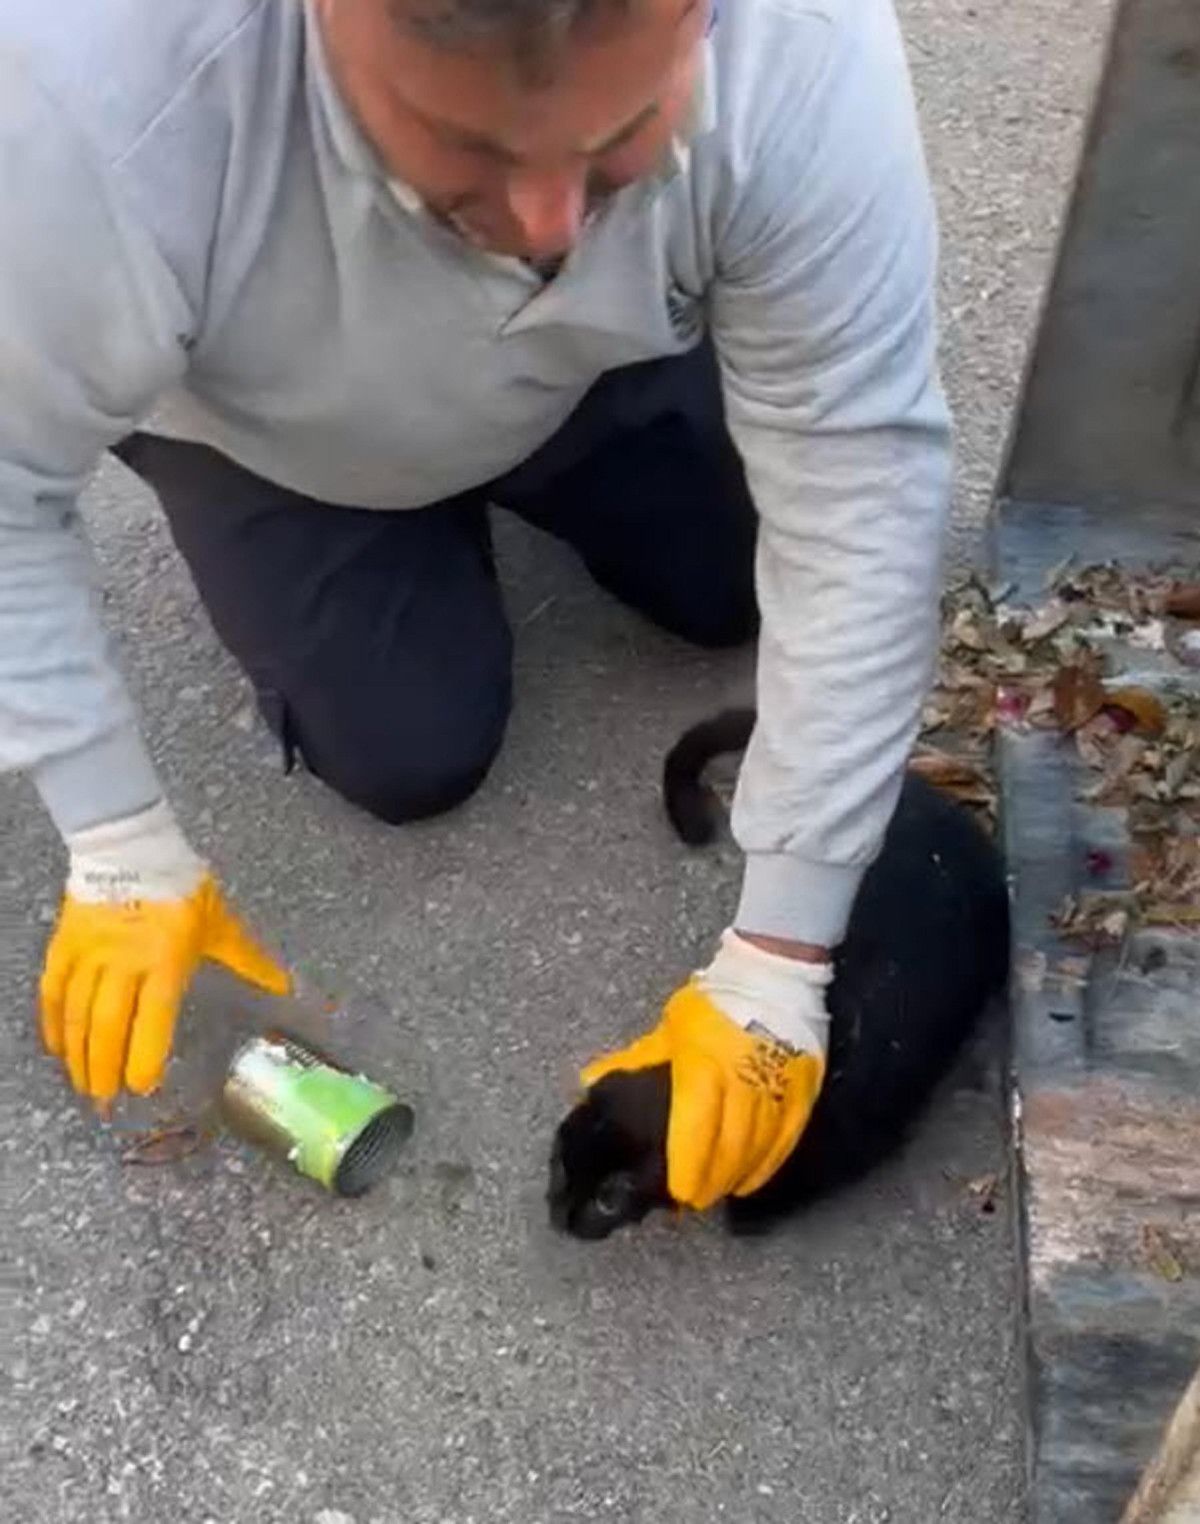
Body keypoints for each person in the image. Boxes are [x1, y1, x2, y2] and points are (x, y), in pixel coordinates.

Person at [0, 0, 950, 1212]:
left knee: (735, 576)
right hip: (271, 432)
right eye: (467, 145)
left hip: (587, 366)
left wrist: (783, 957)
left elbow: (861, 480)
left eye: (617, 137)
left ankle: (540, 353)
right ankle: (342, 498)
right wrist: (114, 838)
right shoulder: (83, 92)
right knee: (408, 749)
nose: (546, 223)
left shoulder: (801, 41)